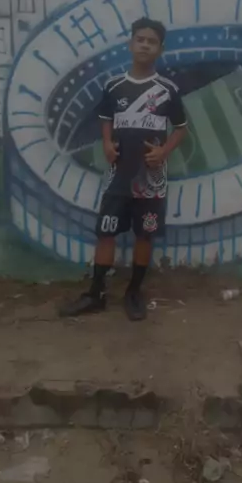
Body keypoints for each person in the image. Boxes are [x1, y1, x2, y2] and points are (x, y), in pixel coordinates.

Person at [60, 17, 188, 322]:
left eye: (151, 41)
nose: (145, 45)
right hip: (117, 177)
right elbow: (106, 118)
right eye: (140, 39)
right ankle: (96, 294)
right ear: (131, 44)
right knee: (106, 233)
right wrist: (107, 142)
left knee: (145, 235)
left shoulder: (167, 89)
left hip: (151, 179)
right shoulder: (114, 86)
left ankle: (133, 292)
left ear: (160, 49)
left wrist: (163, 151)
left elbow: (181, 128)